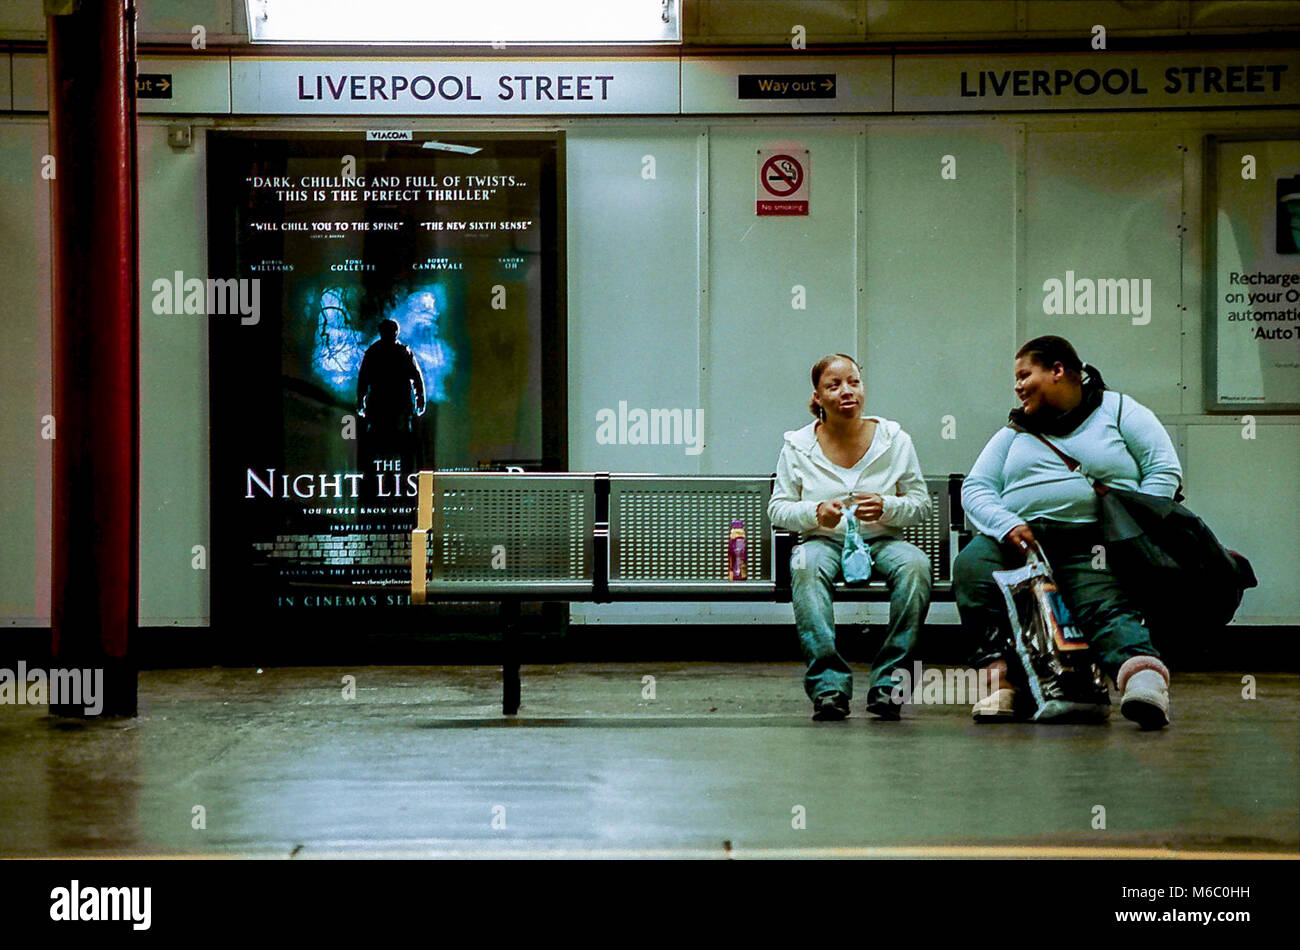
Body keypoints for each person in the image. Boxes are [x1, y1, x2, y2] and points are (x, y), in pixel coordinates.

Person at [956, 336, 1182, 729]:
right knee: (973, 566)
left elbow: (1163, 470)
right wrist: (1005, 522)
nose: (1017, 385)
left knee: (1103, 605)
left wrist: (1132, 530)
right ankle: (1001, 684)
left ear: (1058, 370)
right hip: (1020, 542)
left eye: (1025, 374)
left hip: (1092, 541)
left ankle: (1145, 684)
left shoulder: (1120, 410)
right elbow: (976, 487)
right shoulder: (1016, 430)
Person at [768, 354, 933, 721]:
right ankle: (829, 688)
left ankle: (890, 685)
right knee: (805, 564)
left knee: (916, 566)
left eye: (854, 382)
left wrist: (888, 507)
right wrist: (814, 513)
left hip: (883, 540)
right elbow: (777, 508)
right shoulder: (797, 446)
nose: (847, 391)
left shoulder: (894, 440)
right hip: (823, 541)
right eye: (835, 385)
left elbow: (920, 503)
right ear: (819, 396)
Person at [356, 319, 426, 482]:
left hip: (388, 404)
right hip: (389, 404)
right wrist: (419, 398)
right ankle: (395, 477)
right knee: (393, 442)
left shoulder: (376, 352)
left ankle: (384, 478)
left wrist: (361, 400)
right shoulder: (397, 352)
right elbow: (416, 377)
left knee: (389, 442)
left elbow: (363, 379)